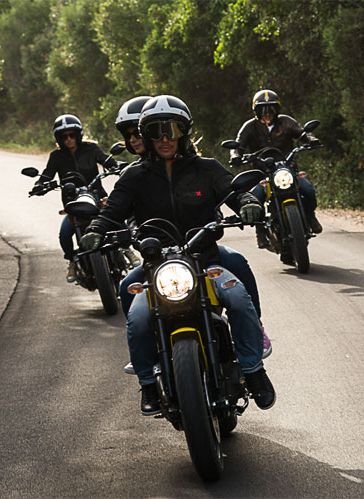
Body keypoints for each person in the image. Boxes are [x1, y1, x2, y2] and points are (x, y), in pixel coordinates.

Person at [81, 95, 276, 416]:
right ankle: (148, 382)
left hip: (206, 263)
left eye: (172, 129)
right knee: (138, 315)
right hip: (156, 267)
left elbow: (232, 190)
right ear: (145, 136)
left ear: (184, 132)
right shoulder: (133, 176)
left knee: (239, 299)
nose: (165, 138)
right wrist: (96, 230)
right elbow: (112, 210)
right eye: (156, 131)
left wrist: (247, 203)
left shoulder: (207, 168)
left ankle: (253, 370)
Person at [229, 89, 323, 250]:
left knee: (308, 189)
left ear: (277, 109)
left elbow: (302, 133)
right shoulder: (250, 127)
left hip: (287, 170)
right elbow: (238, 145)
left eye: (271, 109)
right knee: (254, 198)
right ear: (256, 111)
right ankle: (260, 231)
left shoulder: (286, 121)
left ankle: (310, 216)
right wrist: (235, 155)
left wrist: (311, 139)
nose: (267, 113)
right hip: (262, 173)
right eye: (263, 110)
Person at [35, 114, 120, 282]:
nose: (68, 139)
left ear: (78, 135)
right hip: (73, 203)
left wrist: (114, 166)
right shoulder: (56, 156)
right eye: (64, 136)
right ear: (59, 138)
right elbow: (48, 174)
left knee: (117, 219)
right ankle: (72, 261)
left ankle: (125, 250)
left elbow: (104, 159)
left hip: (97, 198)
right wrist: (40, 184)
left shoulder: (91, 149)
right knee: (64, 234)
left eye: (72, 135)